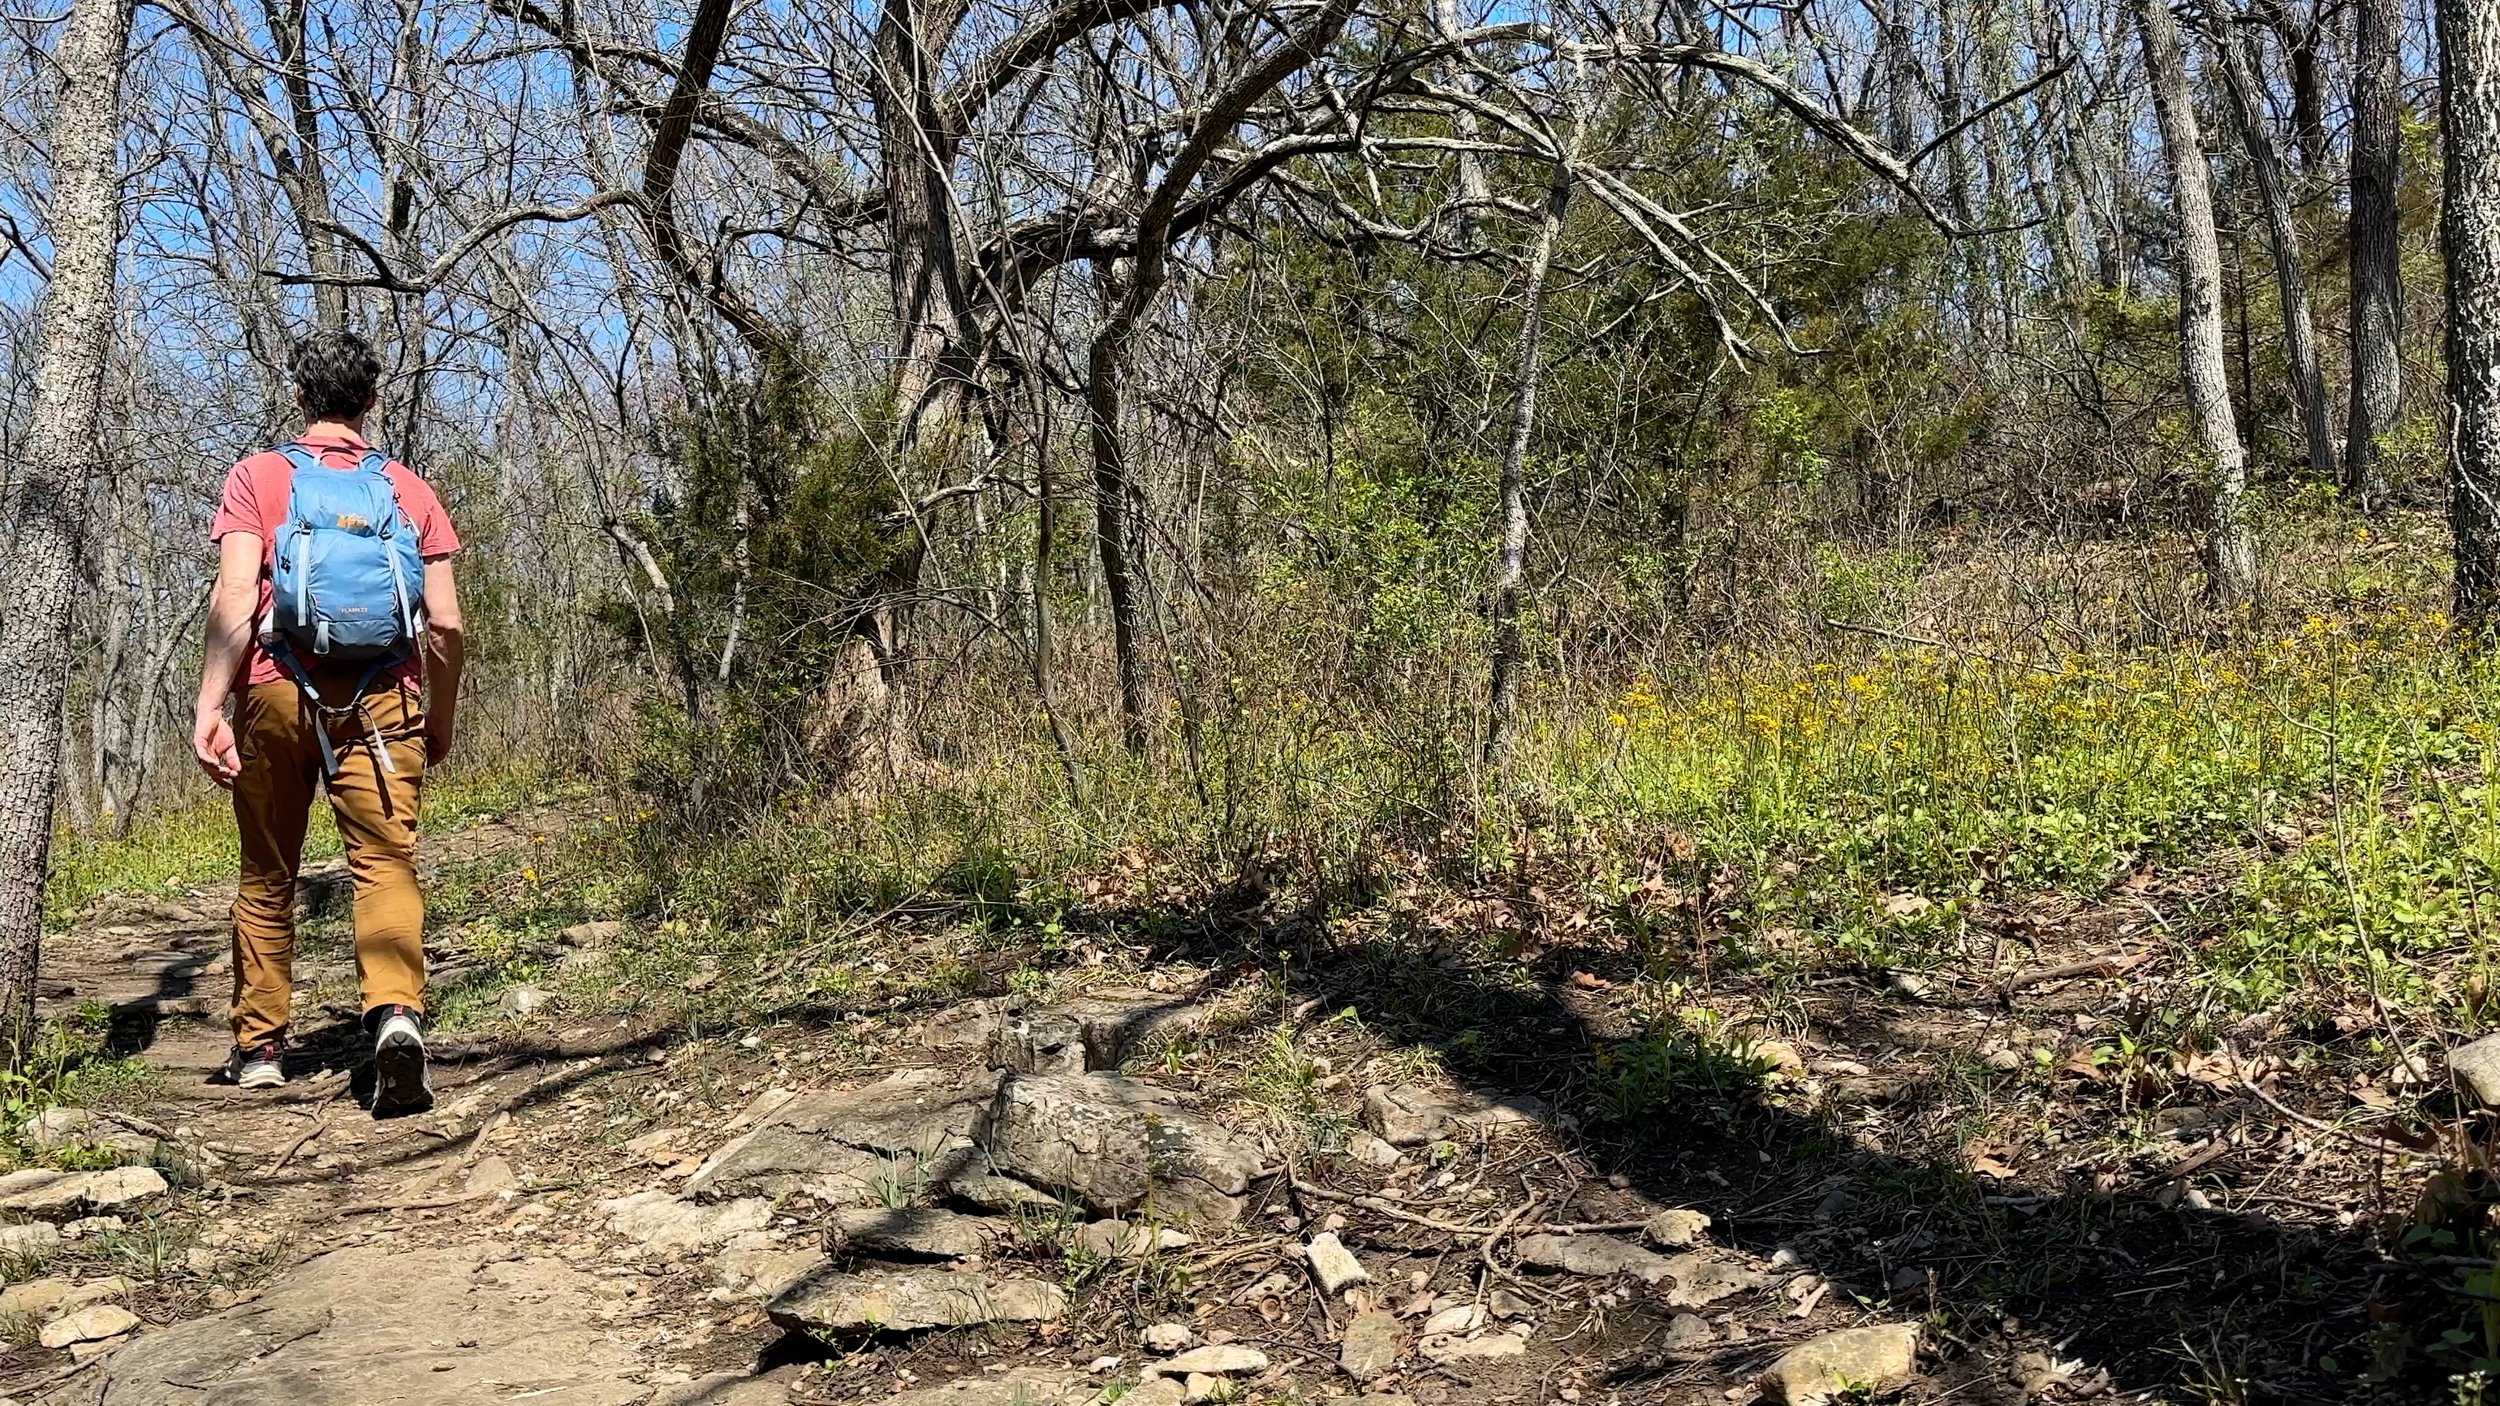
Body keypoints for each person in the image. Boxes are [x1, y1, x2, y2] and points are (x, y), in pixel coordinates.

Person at [190, 330, 464, 1112]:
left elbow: (236, 598)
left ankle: (262, 1046)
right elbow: (444, 625)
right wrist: (435, 715)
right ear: (371, 402)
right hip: (386, 698)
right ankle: (395, 1016)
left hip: (276, 687)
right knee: (384, 863)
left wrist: (212, 703)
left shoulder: (258, 478)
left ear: (301, 397)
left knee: (268, 869)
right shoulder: (411, 491)